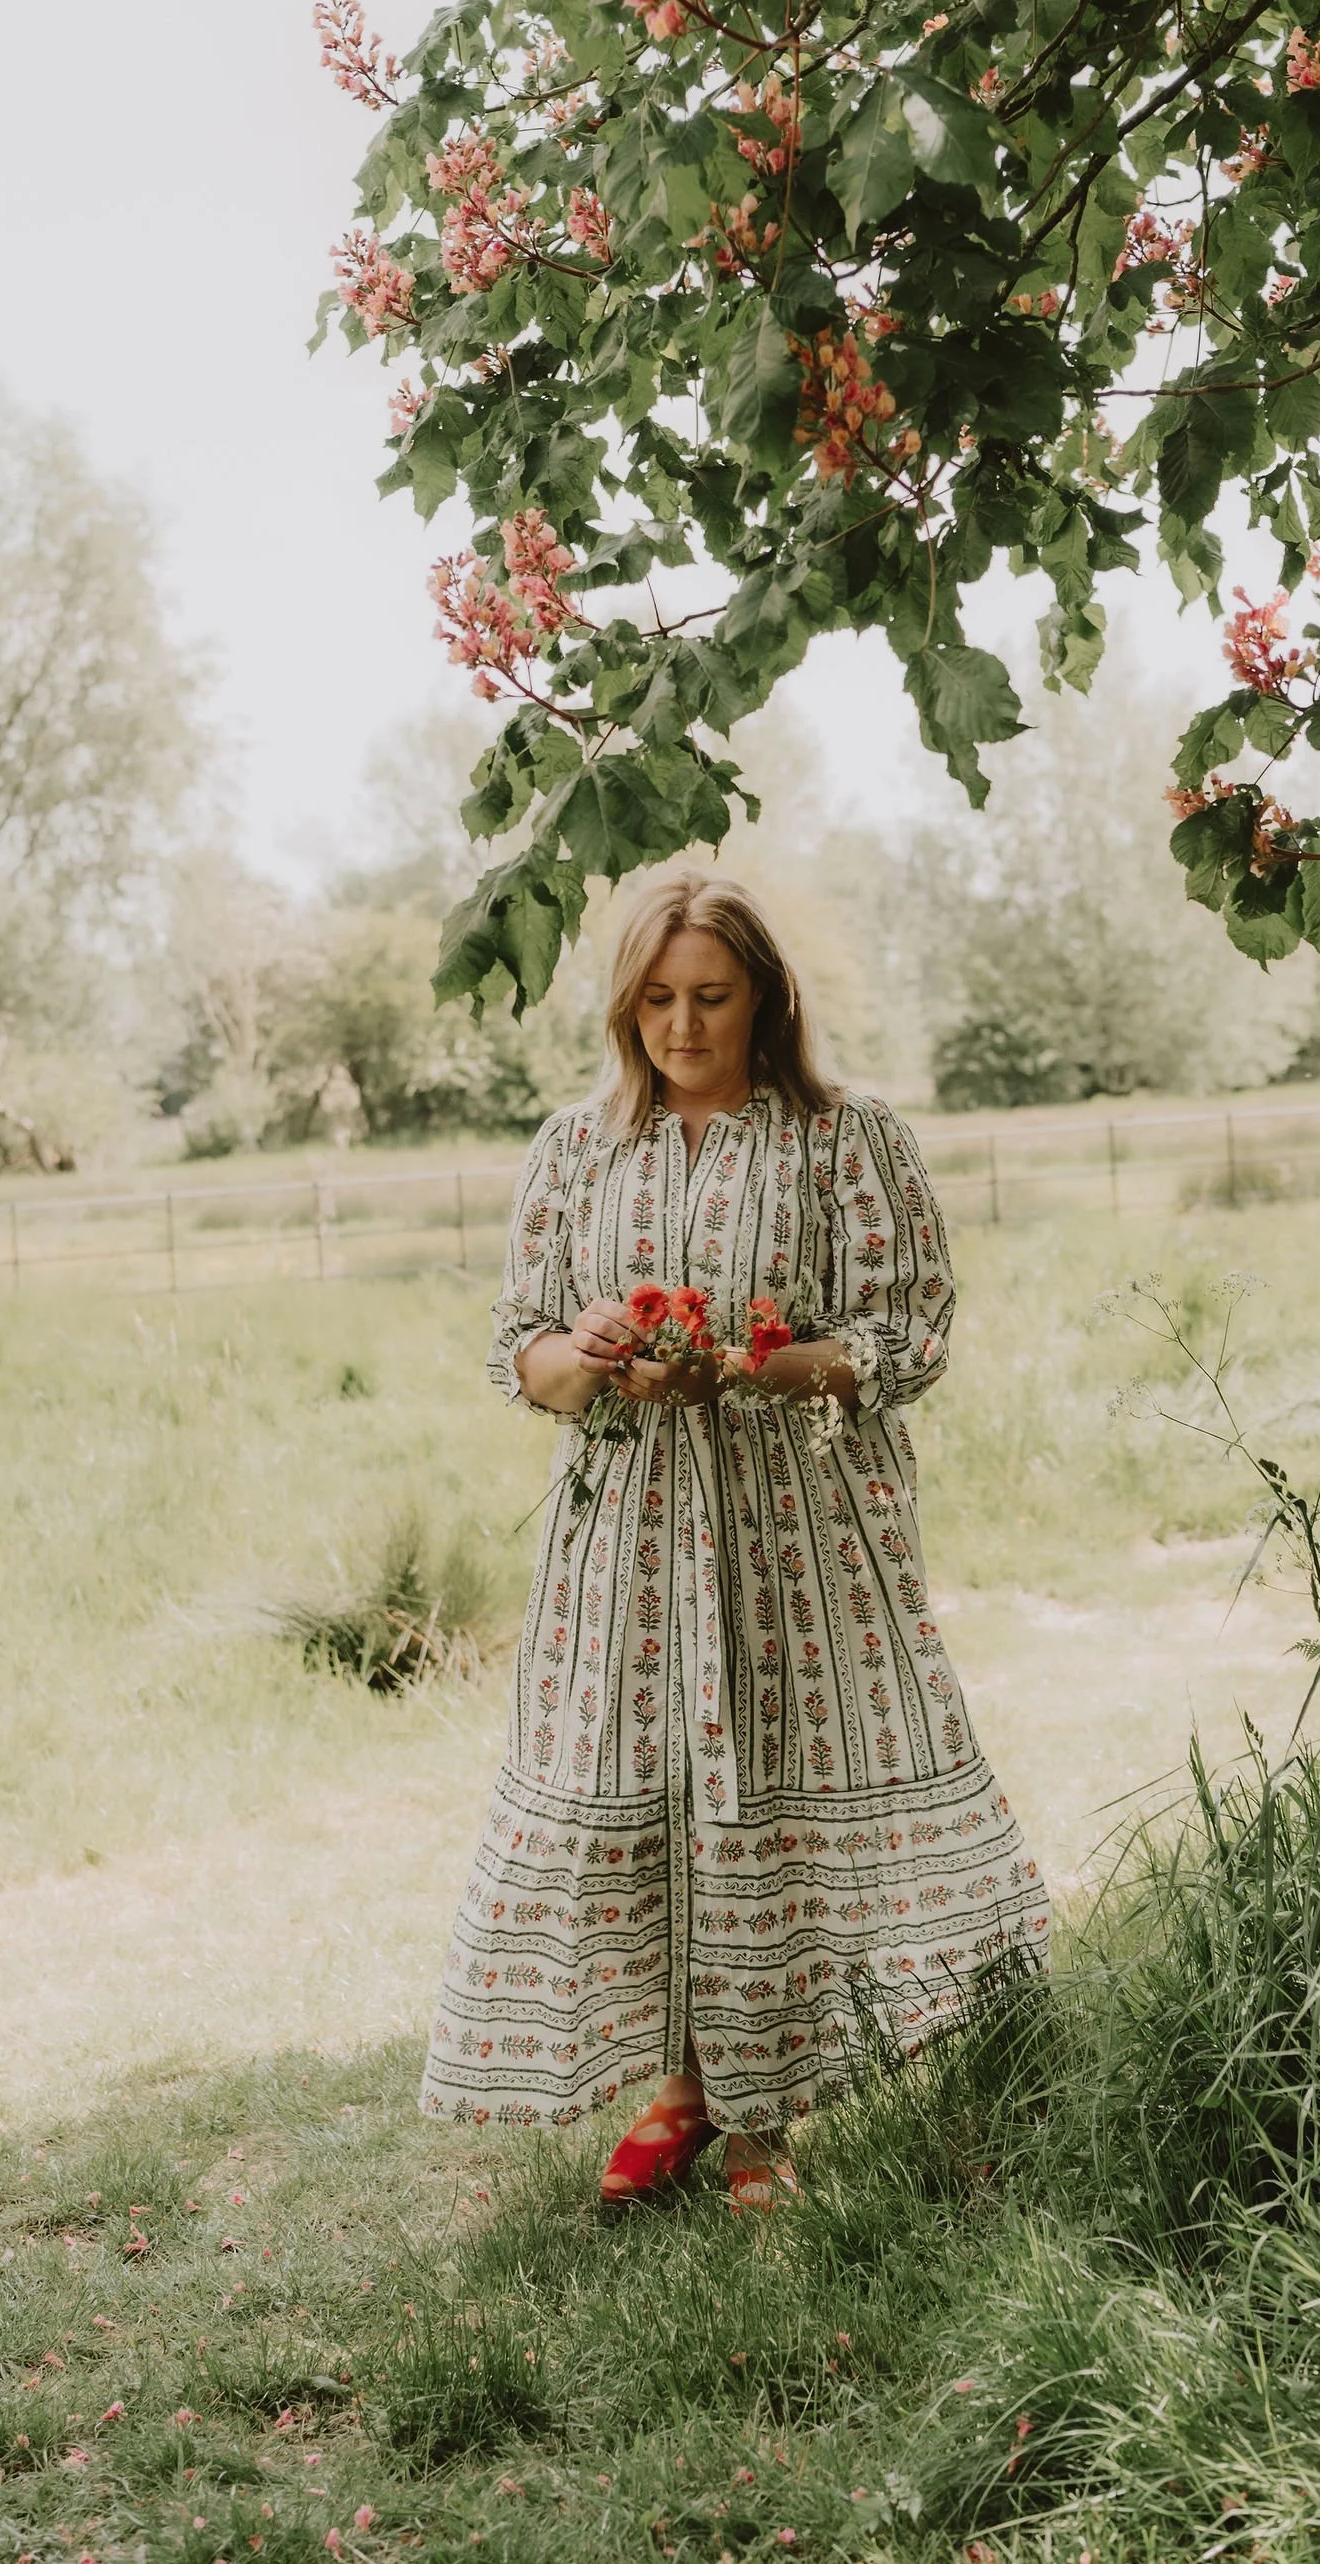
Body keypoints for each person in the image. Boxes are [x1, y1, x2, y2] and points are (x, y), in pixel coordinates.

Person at [420, 868, 1049, 2210]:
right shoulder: (578, 1149)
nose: (683, 1026)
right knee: (656, 1797)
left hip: (795, 1533)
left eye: (710, 997)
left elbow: (911, 1331)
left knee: (763, 1793)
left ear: (766, 999)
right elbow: (516, 1351)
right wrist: (584, 1354)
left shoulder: (843, 1140)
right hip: (629, 1548)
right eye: (656, 999)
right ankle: (685, 2084)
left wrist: (765, 1366)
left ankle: (761, 2121)